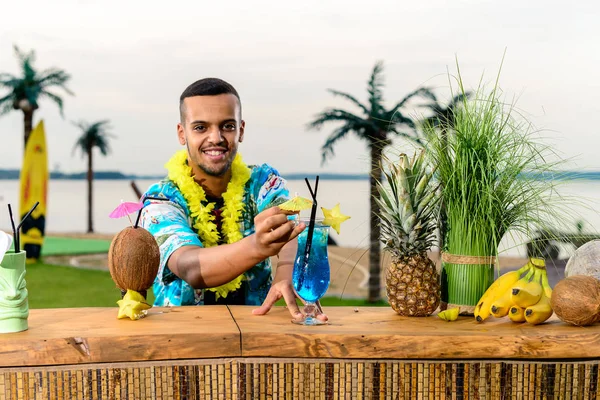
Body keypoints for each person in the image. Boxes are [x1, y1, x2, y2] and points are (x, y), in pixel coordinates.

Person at [140, 78, 326, 321]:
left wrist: (284, 273)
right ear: (181, 133)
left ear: (241, 130)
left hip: (255, 330)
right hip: (180, 337)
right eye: (200, 128)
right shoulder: (161, 199)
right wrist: (258, 246)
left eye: (227, 126)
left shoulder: (261, 182)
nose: (215, 137)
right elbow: (190, 267)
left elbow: (289, 223)